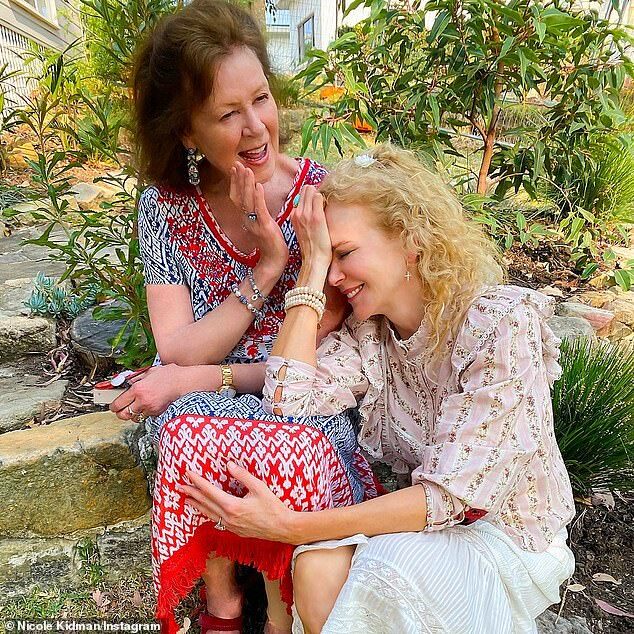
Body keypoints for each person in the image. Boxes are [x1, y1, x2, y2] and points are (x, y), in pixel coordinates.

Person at [179, 143, 577, 633]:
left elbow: (448, 500)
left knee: (380, 566)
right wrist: (308, 273)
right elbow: (284, 402)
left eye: (343, 254)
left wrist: (288, 526)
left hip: (507, 540)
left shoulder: (498, 323)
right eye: (327, 260)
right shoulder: (372, 337)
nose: (335, 277)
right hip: (432, 531)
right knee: (317, 566)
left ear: (410, 241)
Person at [114, 1, 376, 632]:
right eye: (228, 113)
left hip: (302, 395)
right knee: (181, 415)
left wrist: (197, 377)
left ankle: (277, 597)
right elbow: (177, 349)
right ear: (185, 131)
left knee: (227, 420)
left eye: (261, 98)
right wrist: (265, 271)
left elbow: (309, 373)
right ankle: (225, 604)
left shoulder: (322, 197)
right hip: (204, 397)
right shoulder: (166, 209)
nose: (257, 126)